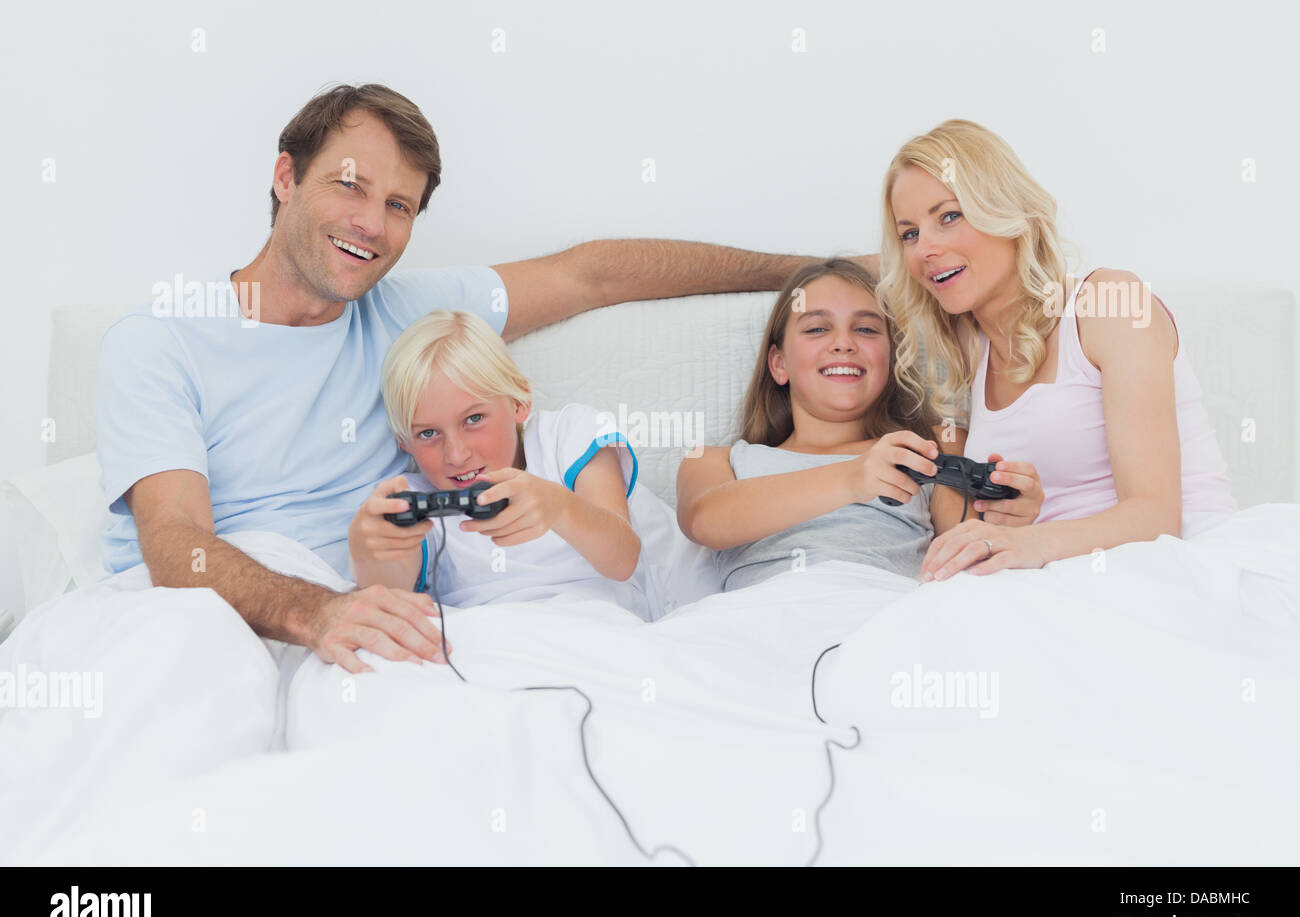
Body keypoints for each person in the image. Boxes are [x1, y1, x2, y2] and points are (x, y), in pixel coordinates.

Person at [94, 83, 878, 671]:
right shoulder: (158, 339)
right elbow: (177, 550)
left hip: (375, 635)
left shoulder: (410, 315)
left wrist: (812, 274)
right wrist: (320, 614)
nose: (372, 223)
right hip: (222, 621)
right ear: (285, 177)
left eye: (399, 206)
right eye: (349, 184)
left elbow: (595, 275)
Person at [878, 119, 1236, 583]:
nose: (925, 249)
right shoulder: (969, 345)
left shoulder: (1109, 303)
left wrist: (1028, 543)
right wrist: (1005, 524)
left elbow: (1156, 518)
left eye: (949, 216)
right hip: (1060, 579)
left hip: (1180, 568)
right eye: (909, 234)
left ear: (1002, 211)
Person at [675, 258, 1043, 590]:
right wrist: (853, 479)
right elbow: (705, 522)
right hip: (762, 619)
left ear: (890, 357)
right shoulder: (716, 460)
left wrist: (1009, 520)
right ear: (779, 363)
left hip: (883, 618)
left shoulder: (930, 446)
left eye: (866, 330)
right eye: (817, 328)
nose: (843, 343)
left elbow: (964, 549)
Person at [342, 311, 647, 672]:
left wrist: (559, 507)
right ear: (403, 443)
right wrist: (370, 553)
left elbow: (623, 559)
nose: (456, 454)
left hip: (598, 634)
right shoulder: (410, 499)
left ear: (519, 402)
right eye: (428, 434)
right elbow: (391, 596)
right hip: (488, 650)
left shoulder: (567, 436)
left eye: (474, 419)